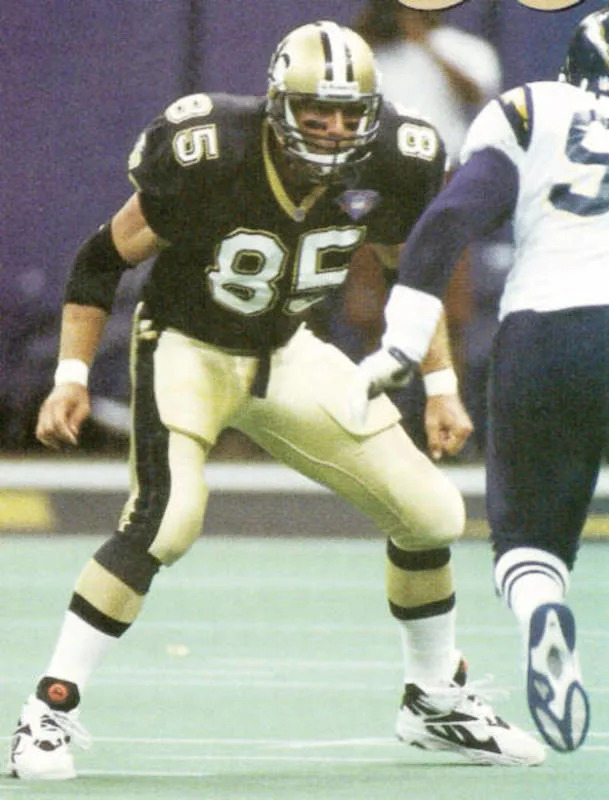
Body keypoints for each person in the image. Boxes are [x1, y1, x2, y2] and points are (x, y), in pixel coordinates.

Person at [8, 21, 545, 780]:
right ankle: (48, 710)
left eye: (348, 115)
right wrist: (69, 374)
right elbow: (101, 259)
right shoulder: (210, 148)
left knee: (431, 511)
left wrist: (440, 386)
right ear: (276, 105)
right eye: (315, 113)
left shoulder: (397, 156)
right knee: (167, 518)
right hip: (187, 347)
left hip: (285, 351)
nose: (333, 130)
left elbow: (412, 276)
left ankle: (433, 701)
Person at [348, 6, 609, 755]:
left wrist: (403, 343)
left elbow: (444, 223)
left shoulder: (531, 107)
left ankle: (540, 615)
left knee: (527, 539)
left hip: (549, 326)